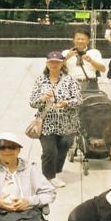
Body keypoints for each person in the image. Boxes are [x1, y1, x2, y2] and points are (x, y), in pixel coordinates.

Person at [29, 49, 82, 188]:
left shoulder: (70, 80)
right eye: (51, 62)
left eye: (57, 62)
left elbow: (78, 100)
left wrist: (66, 103)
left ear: (62, 63)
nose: (54, 65)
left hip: (67, 123)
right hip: (46, 122)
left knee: (63, 148)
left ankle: (56, 170)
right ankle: (48, 177)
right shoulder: (40, 80)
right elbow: (32, 102)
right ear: (47, 63)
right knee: (49, 151)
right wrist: (42, 98)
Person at [64, 28, 106, 92]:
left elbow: (103, 69)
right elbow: (56, 69)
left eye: (83, 39)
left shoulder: (94, 52)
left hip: (90, 84)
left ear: (88, 41)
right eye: (78, 39)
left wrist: (91, 61)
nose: (80, 41)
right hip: (70, 83)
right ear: (73, 40)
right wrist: (66, 58)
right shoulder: (65, 53)